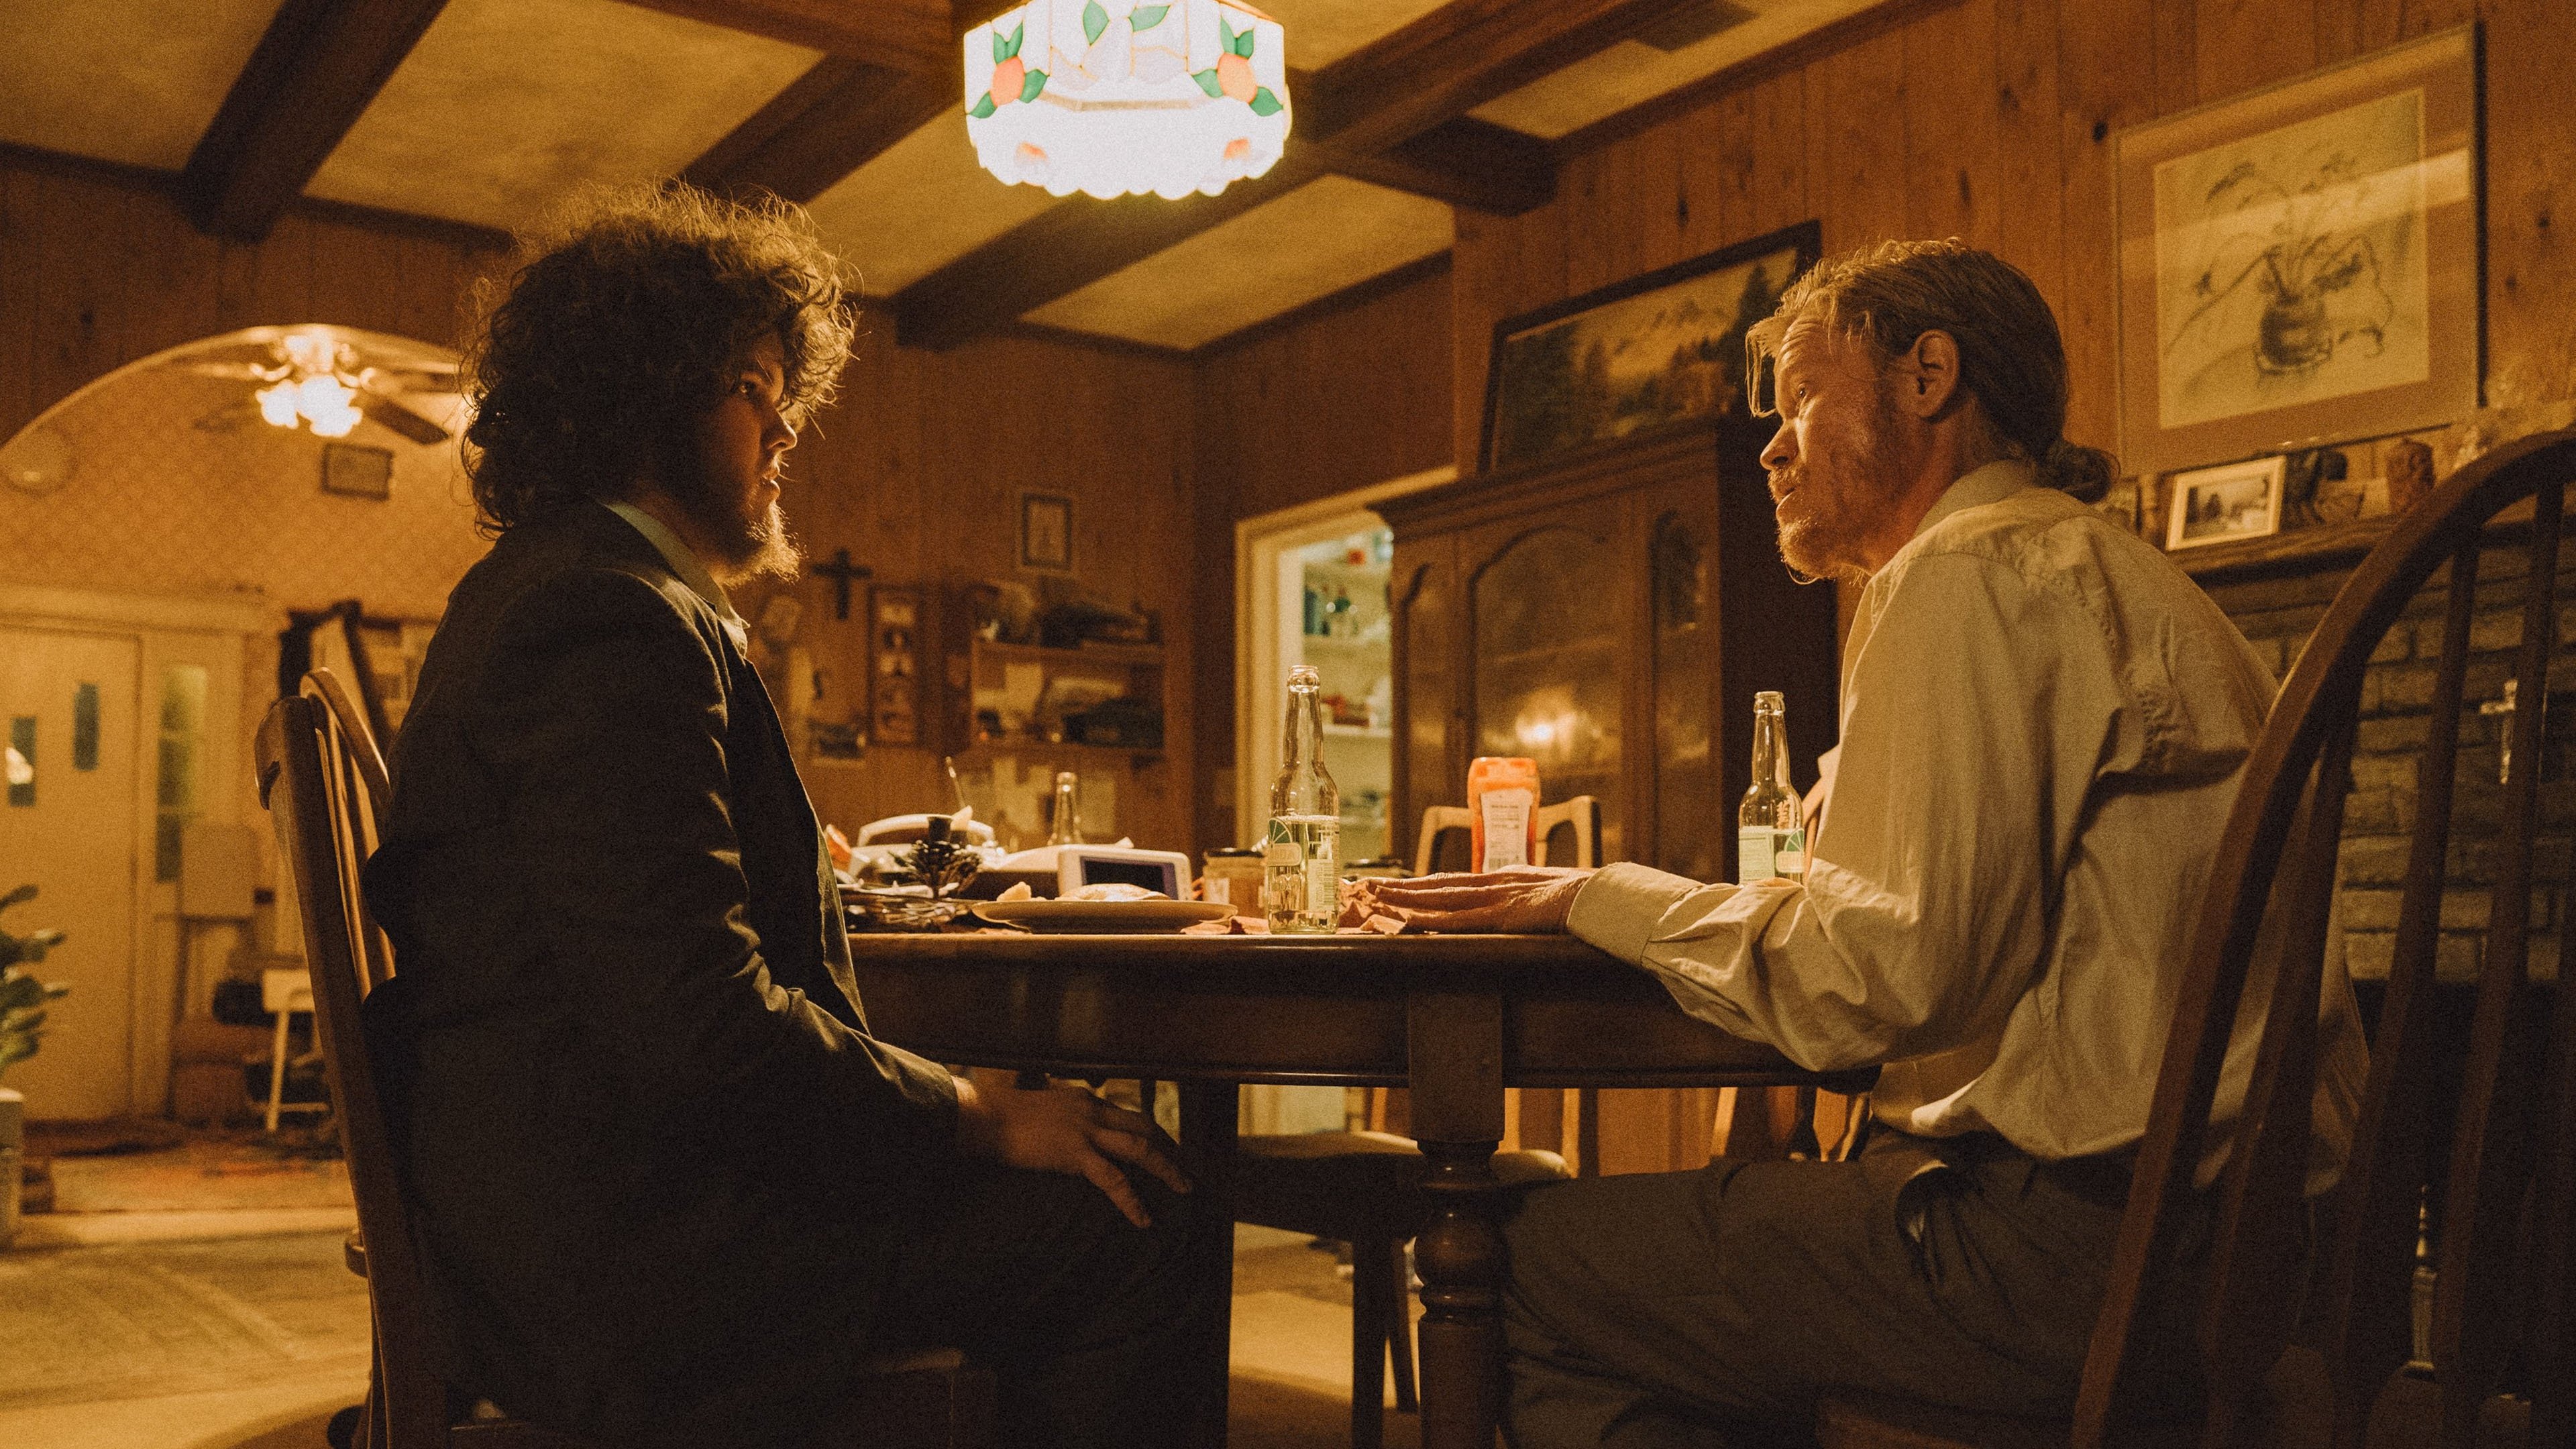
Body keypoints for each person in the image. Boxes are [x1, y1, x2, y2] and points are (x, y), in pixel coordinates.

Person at [1346, 239, 2367, 1446]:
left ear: (1928, 376)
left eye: (1800, 400)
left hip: (2073, 1261)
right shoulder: (2112, 576)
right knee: (1669, 1280)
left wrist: (1592, 895)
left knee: (1507, 1260)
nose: (1772, 448)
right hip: (2238, 1262)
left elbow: (1886, 975)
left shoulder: (1969, 572)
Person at [361, 185, 1220, 1449]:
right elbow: (695, 1029)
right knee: (1146, 1217)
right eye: (753, 388)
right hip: (637, 1262)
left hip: (580, 1208)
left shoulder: (564, 590)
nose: (784, 429)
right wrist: (979, 1114)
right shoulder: (607, 616)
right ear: (644, 394)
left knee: (1082, 1180)